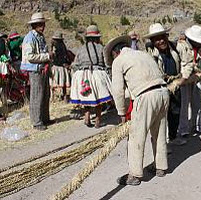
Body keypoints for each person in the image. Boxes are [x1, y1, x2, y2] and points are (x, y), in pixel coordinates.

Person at [105, 35, 169, 186]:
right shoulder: (143, 54)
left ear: (115, 53)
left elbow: (118, 90)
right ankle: (161, 167)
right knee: (159, 131)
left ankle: (134, 174)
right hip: (163, 91)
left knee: (136, 136)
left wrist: (121, 112)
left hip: (145, 95)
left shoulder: (119, 61)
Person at [144, 23, 186, 146]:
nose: (161, 41)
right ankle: (162, 145)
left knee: (175, 113)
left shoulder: (174, 48)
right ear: (152, 41)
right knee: (161, 117)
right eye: (157, 39)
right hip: (160, 88)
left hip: (176, 85)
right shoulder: (150, 54)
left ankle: (173, 137)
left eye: (163, 37)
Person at [70, 25, 113, 128]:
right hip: (98, 73)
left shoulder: (80, 49)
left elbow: (75, 64)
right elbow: (106, 63)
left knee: (87, 96)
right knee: (98, 98)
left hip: (83, 74)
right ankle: (98, 120)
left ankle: (87, 117)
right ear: (97, 37)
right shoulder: (102, 48)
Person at [176, 25, 201, 135]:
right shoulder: (181, 46)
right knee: (184, 104)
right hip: (184, 78)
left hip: (198, 76)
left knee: (198, 103)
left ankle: (197, 125)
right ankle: (183, 129)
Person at [21, 12, 53, 130]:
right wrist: (46, 56)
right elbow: (30, 56)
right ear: (35, 25)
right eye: (40, 24)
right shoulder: (30, 38)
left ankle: (45, 118)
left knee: (45, 94)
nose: (43, 26)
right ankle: (37, 121)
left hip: (42, 69)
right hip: (35, 70)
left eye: (43, 24)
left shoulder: (40, 37)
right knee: (37, 95)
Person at [50, 32, 71, 101]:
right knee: (63, 82)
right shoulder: (62, 46)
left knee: (56, 83)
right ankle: (64, 96)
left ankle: (55, 97)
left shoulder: (55, 46)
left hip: (57, 67)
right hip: (62, 67)